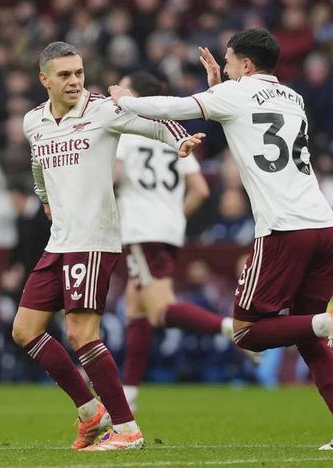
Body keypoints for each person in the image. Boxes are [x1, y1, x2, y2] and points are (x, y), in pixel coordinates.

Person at [109, 28, 333, 450]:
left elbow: (175, 107)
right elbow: (247, 114)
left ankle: (329, 321)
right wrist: (219, 87)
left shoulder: (236, 93)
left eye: (228, 62)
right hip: (324, 225)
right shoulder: (294, 98)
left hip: (283, 229)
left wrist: (126, 100)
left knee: (247, 333)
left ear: (246, 64)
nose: (223, 68)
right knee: (305, 335)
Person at [11, 42, 203, 452]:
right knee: (25, 330)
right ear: (44, 79)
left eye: (79, 73)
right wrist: (44, 198)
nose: (75, 81)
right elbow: (37, 162)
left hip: (94, 239)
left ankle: (127, 428)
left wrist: (180, 141)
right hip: (60, 239)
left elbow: (151, 123)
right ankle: (90, 412)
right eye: (65, 75)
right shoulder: (33, 121)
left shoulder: (101, 110)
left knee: (82, 333)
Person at [114, 71, 239, 412]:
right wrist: (173, 215)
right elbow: (200, 190)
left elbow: (115, 175)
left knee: (159, 309)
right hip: (167, 229)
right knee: (135, 307)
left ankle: (232, 329)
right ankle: (129, 394)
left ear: (134, 95)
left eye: (123, 86)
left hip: (141, 229)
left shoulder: (128, 130)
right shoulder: (173, 132)